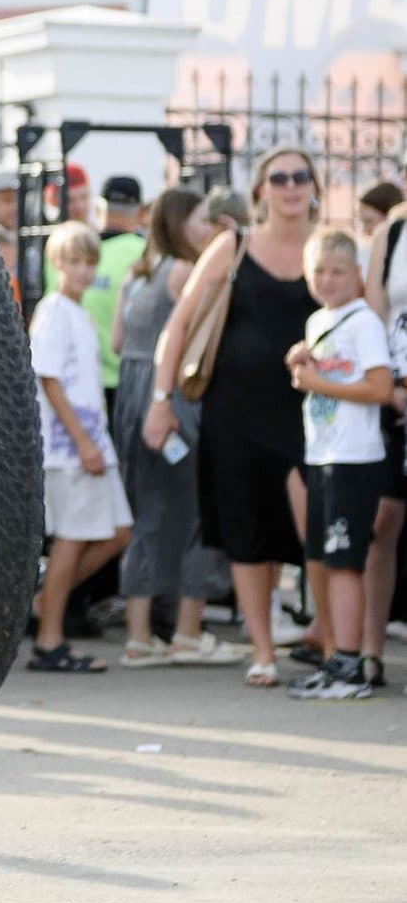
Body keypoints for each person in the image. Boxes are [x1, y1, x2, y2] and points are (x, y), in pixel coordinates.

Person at [147, 147, 320, 688]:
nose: (291, 186)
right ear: (261, 190)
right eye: (280, 178)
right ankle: (263, 651)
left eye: (301, 177)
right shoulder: (234, 245)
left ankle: (331, 638)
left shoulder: (331, 249)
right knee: (246, 532)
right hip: (235, 413)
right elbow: (179, 325)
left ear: (314, 186)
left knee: (310, 529)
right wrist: (160, 398)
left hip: (313, 413)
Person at [110, 188, 242, 669]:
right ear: (182, 223)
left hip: (132, 393)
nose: (211, 228)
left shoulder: (138, 273)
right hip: (173, 401)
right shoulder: (188, 273)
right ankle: (187, 631)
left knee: (149, 516)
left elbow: (118, 342)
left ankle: (140, 635)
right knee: (192, 517)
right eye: (203, 219)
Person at [286, 228, 394, 701]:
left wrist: (317, 383)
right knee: (319, 560)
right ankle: (333, 658)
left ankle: (350, 665)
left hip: (354, 458)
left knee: (345, 561)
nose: (327, 280)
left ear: (356, 274)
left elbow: (380, 388)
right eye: (318, 272)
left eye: (337, 271)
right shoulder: (318, 322)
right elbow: (321, 375)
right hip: (322, 454)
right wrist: (302, 363)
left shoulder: (363, 322)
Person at [28, 223, 131, 674]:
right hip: (70, 447)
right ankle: (50, 638)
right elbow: (48, 378)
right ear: (57, 264)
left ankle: (44, 601)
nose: (83, 271)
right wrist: (83, 441)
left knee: (117, 532)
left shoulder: (78, 311)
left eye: (90, 263)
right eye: (75, 262)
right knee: (74, 537)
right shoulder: (54, 311)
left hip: (91, 442)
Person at [362, 195, 407, 687]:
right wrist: (390, 385)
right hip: (395, 395)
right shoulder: (390, 235)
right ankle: (371, 650)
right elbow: (374, 313)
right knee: (382, 521)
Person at [85, 175, 148, 408]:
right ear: (141, 212)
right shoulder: (146, 255)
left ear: (99, 207)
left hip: (77, 381)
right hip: (128, 380)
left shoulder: (69, 252)